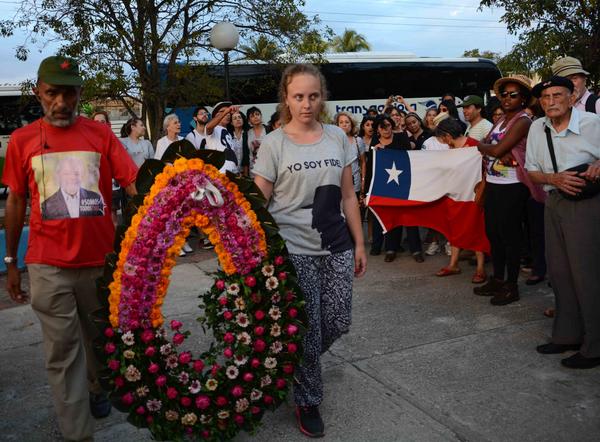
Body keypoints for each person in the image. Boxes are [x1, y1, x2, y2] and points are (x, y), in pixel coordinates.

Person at [2, 55, 138, 441]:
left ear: (80, 92)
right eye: (52, 94)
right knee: (63, 354)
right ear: (38, 93)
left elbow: (132, 183)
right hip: (49, 266)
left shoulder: (101, 134)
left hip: (100, 263)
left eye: (69, 93)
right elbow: (15, 201)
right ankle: (79, 434)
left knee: (98, 339)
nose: (61, 103)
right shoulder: (22, 140)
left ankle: (97, 386)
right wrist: (11, 262)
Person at [253, 63, 367, 438]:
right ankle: (307, 399)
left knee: (336, 321)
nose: (306, 104)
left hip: (336, 245)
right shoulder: (274, 143)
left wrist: (360, 243)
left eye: (313, 96)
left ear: (323, 97)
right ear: (286, 98)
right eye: (299, 96)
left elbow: (349, 195)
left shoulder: (338, 137)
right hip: (293, 248)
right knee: (307, 328)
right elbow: (259, 202)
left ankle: (289, 364)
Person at [525, 76, 600, 369]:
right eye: (545, 97)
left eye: (558, 95)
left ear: (572, 97)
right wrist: (552, 178)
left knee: (587, 274)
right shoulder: (536, 127)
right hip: (554, 200)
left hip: (587, 203)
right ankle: (567, 334)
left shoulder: (593, 123)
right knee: (559, 272)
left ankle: (594, 346)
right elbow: (532, 170)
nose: (551, 101)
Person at [475, 74, 544, 306]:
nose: (506, 98)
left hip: (513, 186)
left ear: (523, 98)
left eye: (513, 94)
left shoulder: (523, 120)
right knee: (493, 234)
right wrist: (493, 149)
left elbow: (492, 149)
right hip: (494, 184)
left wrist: (488, 148)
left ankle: (511, 285)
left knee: (510, 236)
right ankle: (497, 279)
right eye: (503, 94)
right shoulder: (502, 120)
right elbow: (493, 148)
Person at [432, 118, 487, 283]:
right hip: (454, 196)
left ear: (448, 136)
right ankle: (453, 264)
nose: (442, 142)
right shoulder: (451, 149)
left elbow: (485, 171)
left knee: (477, 229)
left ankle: (480, 268)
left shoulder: (476, 147)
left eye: (442, 138)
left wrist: (481, 190)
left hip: (472, 196)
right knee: (454, 230)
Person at [41, 155, 105, 220]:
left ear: (82, 175)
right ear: (58, 176)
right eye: (66, 173)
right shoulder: (47, 205)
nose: (72, 177)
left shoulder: (96, 198)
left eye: (76, 173)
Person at [335, 111, 366, 203]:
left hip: (355, 183)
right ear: (337, 125)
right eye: (341, 122)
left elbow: (363, 162)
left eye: (347, 122)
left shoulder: (358, 141)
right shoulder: (332, 141)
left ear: (352, 124)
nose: (344, 125)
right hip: (338, 183)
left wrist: (363, 182)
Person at [205, 101, 240, 174]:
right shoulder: (214, 129)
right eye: (222, 111)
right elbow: (208, 127)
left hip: (232, 173)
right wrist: (226, 112)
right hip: (219, 173)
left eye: (228, 112)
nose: (227, 114)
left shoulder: (229, 133)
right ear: (215, 115)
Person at [247, 106, 268, 177]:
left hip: (268, 168)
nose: (256, 117)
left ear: (261, 116)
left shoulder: (268, 130)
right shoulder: (247, 133)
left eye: (257, 114)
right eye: (252, 116)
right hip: (252, 169)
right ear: (249, 120)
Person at [227, 110, 249, 175]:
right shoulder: (228, 135)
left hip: (245, 170)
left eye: (239, 117)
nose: (238, 120)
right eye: (235, 118)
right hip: (232, 171)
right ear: (231, 123)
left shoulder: (248, 134)